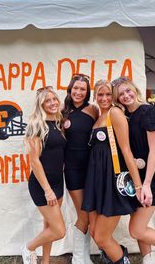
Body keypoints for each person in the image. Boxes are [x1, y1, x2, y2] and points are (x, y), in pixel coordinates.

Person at [112, 77, 155, 264]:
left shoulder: (147, 111)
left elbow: (154, 150)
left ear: (135, 90)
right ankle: (149, 260)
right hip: (134, 177)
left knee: (136, 229)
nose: (126, 95)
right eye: (121, 94)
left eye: (128, 91)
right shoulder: (126, 116)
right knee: (140, 224)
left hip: (150, 177)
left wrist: (146, 184)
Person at [82, 79, 142, 264]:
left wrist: (138, 186)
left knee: (101, 237)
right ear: (95, 96)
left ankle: (122, 260)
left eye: (108, 94)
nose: (104, 98)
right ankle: (117, 254)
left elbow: (126, 150)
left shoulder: (115, 113)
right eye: (100, 94)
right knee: (93, 232)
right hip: (95, 179)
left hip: (110, 179)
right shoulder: (98, 115)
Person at [22, 87, 66, 264]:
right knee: (59, 230)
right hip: (42, 185)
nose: (53, 103)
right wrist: (47, 190)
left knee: (48, 225)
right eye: (47, 101)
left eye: (54, 99)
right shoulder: (36, 125)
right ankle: (28, 248)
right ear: (41, 104)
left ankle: (45, 261)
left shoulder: (57, 122)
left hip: (58, 182)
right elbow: (35, 161)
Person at [62, 73, 98, 264]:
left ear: (87, 92)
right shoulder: (62, 110)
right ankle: (78, 257)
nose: (78, 92)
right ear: (70, 89)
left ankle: (82, 256)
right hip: (73, 169)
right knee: (83, 211)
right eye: (75, 88)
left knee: (90, 210)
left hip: (91, 168)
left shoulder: (93, 110)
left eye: (82, 89)